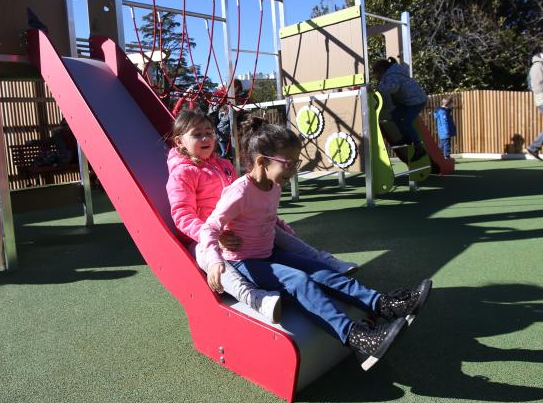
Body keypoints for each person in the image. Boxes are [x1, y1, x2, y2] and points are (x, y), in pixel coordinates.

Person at [199, 116, 432, 370]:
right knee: (299, 281)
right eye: (289, 164)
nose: (293, 170)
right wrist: (213, 262)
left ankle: (383, 304)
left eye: (296, 163)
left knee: (322, 270)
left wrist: (286, 230)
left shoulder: (273, 186)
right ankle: (358, 338)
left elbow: (267, 218)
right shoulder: (239, 192)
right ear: (262, 162)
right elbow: (210, 226)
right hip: (245, 263)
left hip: (268, 253)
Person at [166, 110, 359, 323]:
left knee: (283, 236)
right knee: (208, 257)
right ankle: (254, 297)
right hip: (204, 236)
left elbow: (246, 200)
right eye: (197, 134)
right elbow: (182, 215)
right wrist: (215, 236)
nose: (205, 138)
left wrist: (276, 222)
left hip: (236, 225)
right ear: (179, 142)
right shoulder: (182, 173)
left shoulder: (224, 166)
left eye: (209, 132)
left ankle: (323, 261)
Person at [372, 58, 429, 162]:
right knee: (395, 115)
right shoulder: (392, 73)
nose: (376, 77)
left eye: (376, 74)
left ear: (381, 71)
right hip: (409, 101)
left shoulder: (392, 75)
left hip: (416, 101)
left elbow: (392, 88)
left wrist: (378, 89)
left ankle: (419, 148)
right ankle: (406, 137)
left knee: (406, 121)